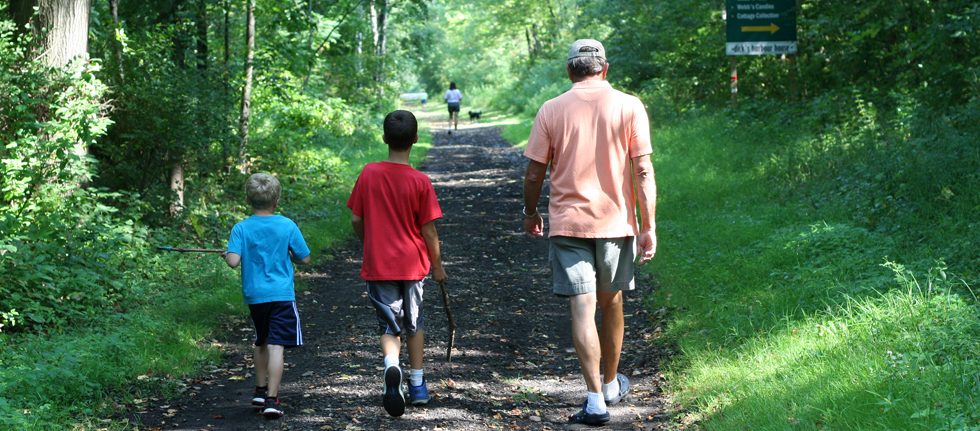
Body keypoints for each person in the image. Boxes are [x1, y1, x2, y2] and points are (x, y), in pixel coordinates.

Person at [521, 38, 657, 426]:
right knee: (611, 302)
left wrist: (530, 212)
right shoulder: (630, 106)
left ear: (569, 71)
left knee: (582, 307)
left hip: (569, 224)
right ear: (605, 68)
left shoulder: (551, 109)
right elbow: (643, 171)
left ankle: (595, 399)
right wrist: (648, 226)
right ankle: (611, 383)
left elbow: (534, 172)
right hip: (616, 223)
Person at [346, 110, 449, 417]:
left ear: (383, 138)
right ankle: (418, 385)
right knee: (415, 324)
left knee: (389, 325)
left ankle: (392, 366)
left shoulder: (369, 173)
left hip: (380, 264)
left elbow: (355, 217)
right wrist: (438, 266)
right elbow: (429, 229)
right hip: (413, 265)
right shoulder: (420, 181)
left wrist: (369, 243)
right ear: (415, 139)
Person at [224, 173, 311, 419]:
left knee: (261, 340)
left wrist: (227, 253)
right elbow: (305, 258)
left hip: (255, 296)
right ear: (276, 200)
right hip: (281, 294)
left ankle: (259, 390)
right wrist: (291, 255)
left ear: (249, 200)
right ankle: (272, 399)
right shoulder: (287, 225)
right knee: (276, 345)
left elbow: (232, 261)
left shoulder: (241, 228)